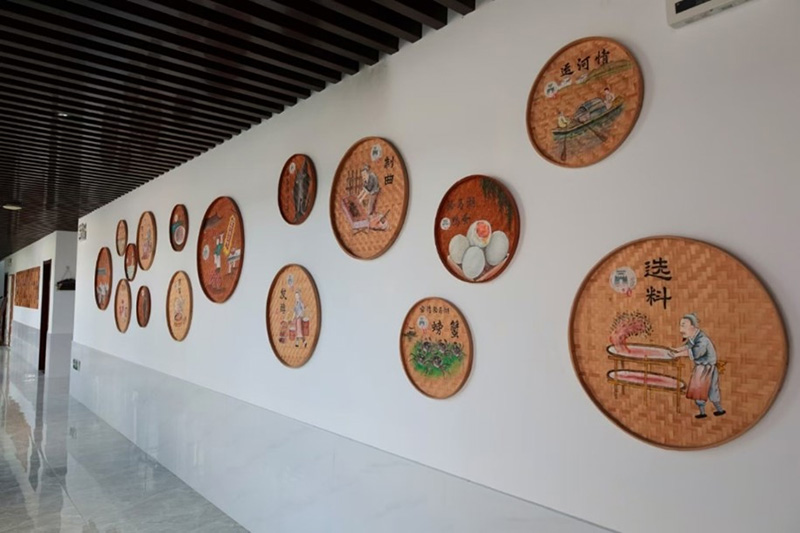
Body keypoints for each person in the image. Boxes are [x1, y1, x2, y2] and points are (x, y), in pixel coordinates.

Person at [671, 313, 725, 419]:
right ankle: (702, 412)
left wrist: (677, 355)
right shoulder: (694, 337)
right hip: (700, 368)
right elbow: (688, 345)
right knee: (698, 390)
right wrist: (677, 349)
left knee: (712, 390)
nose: (681, 329)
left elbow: (695, 352)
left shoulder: (702, 340)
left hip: (708, 368)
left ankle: (719, 409)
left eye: (683, 325)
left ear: (692, 327)